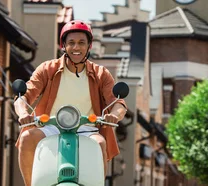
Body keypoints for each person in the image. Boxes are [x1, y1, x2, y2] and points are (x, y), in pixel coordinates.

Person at [13, 20, 127, 186]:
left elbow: (118, 103)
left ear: (89, 46)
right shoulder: (47, 69)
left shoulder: (100, 73)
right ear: (63, 46)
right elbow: (24, 96)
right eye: (71, 43)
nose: (76, 47)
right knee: (27, 137)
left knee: (100, 143)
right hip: (50, 126)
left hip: (87, 127)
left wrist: (113, 116)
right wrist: (23, 113)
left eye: (81, 43)